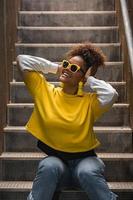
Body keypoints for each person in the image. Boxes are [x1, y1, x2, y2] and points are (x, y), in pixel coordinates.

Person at [17, 43, 118, 200]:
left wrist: (88, 80)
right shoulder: (44, 91)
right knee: (48, 165)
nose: (67, 68)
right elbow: (23, 60)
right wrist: (57, 68)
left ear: (83, 76)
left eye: (74, 68)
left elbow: (111, 94)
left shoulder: (89, 102)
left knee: (86, 171)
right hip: (58, 166)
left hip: (85, 163)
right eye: (66, 64)